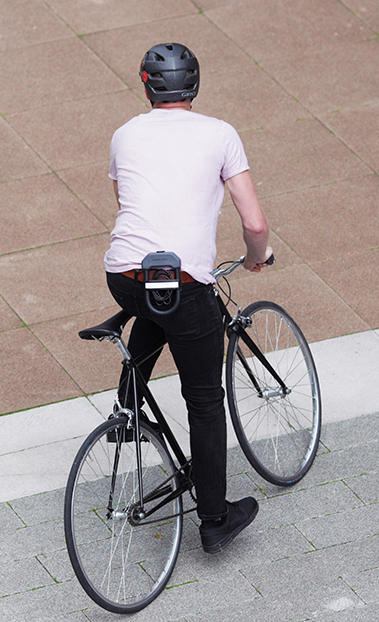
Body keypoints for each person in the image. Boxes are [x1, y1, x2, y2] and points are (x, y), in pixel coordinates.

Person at [103, 42, 274, 553]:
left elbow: (127, 202)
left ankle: (127, 413)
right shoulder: (220, 134)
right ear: (195, 84)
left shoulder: (125, 134)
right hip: (184, 281)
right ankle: (216, 519)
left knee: (158, 308)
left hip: (123, 274)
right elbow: (255, 223)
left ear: (145, 83)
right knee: (203, 399)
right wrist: (256, 256)